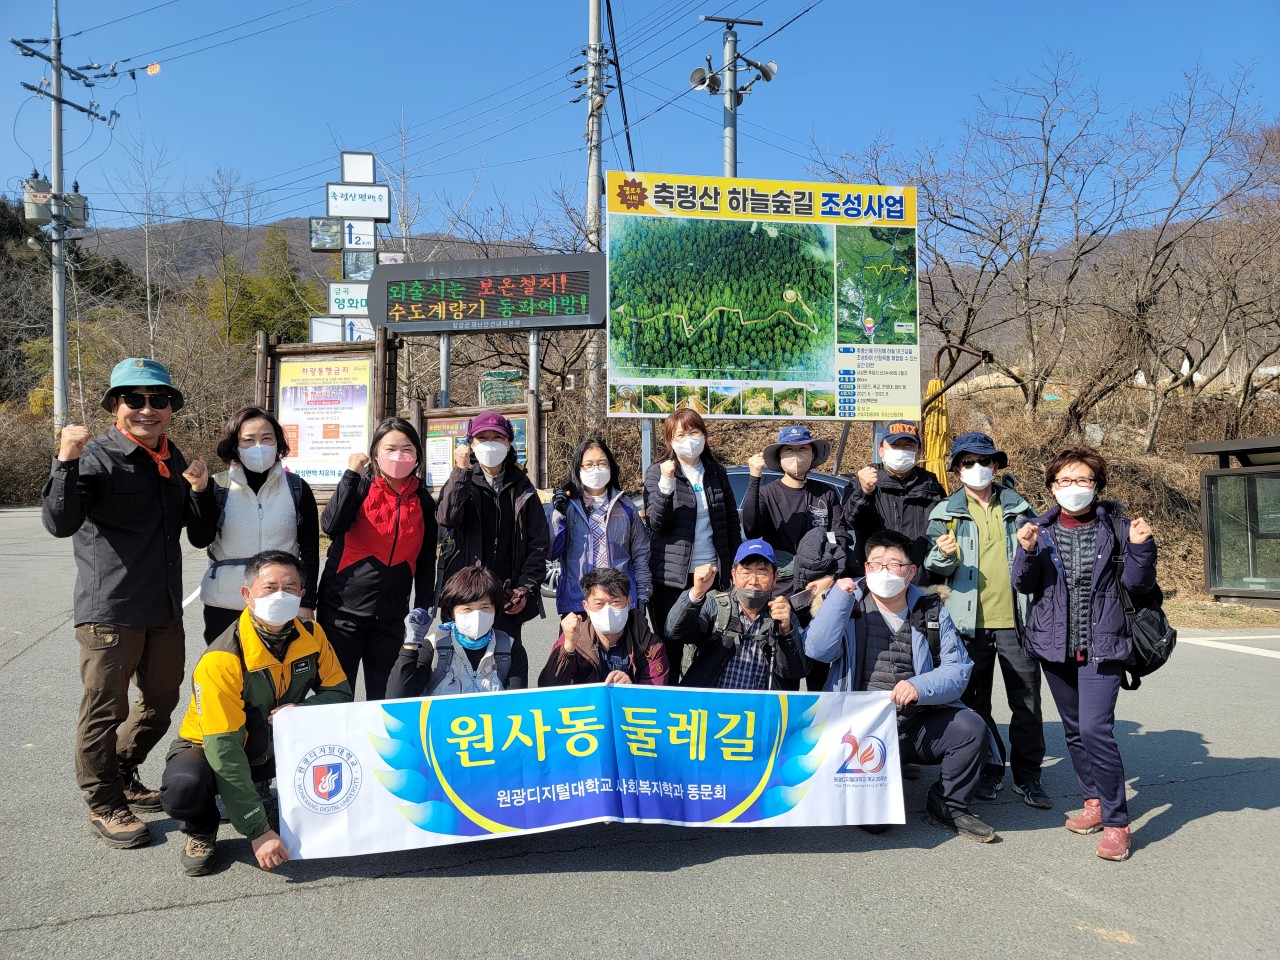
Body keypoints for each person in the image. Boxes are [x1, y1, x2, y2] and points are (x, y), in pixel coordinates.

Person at [42, 357, 214, 850]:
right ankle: (103, 802)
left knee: (162, 700)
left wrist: (201, 491)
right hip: (110, 609)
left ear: (170, 408)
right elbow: (59, 522)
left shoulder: (176, 460)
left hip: (162, 607)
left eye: (157, 400)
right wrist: (64, 460)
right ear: (115, 406)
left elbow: (200, 536)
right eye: (133, 399)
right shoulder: (94, 456)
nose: (146, 409)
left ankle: (121, 769)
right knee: (104, 709)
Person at [159, 551, 352, 876]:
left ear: (302, 593)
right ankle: (202, 827)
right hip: (213, 747)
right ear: (247, 595)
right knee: (184, 787)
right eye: (270, 587)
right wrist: (257, 831)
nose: (281, 595)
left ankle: (269, 796)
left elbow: (340, 694)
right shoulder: (222, 658)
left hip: (274, 740)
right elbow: (224, 749)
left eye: (290, 587)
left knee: (346, 728)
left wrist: (303, 711)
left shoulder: (313, 635)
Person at [1012, 446, 1156, 862]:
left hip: (1103, 644)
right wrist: (1027, 550)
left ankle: (1116, 822)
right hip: (1054, 644)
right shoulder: (1038, 528)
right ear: (1052, 486)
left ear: (1097, 486)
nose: (1074, 488)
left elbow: (1139, 585)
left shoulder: (1119, 527)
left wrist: (1142, 549)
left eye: (1083, 480)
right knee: (1074, 730)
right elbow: (1024, 585)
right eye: (1065, 481)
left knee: (1096, 730)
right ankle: (1092, 801)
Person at [805, 530, 996, 842]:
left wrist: (919, 686)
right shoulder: (848, 605)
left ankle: (949, 803)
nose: (884, 571)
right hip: (859, 731)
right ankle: (876, 783)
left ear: (911, 572)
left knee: (970, 727)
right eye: (876, 563)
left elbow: (959, 669)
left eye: (894, 565)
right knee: (878, 825)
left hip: (913, 723)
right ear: (865, 567)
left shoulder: (932, 610)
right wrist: (838, 597)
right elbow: (817, 650)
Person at [924, 432, 1050, 809]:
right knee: (974, 705)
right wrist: (944, 554)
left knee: (1027, 704)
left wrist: (1034, 548)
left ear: (996, 465)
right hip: (966, 626)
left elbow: (1040, 559)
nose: (976, 469)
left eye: (984, 461)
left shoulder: (1020, 508)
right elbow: (934, 567)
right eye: (967, 462)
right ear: (957, 470)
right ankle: (989, 771)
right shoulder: (944, 513)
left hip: (1016, 621)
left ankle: (1029, 778)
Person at [318, 417, 438, 702]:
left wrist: (423, 608)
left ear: (417, 456)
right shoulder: (359, 487)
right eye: (390, 448)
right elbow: (331, 525)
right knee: (336, 695)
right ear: (375, 454)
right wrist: (350, 476)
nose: (399, 456)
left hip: (392, 617)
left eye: (407, 449)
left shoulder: (422, 501)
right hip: (341, 613)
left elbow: (425, 560)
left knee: (386, 696)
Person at [191, 406, 320, 644]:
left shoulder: (297, 488)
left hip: (281, 602)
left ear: (278, 443)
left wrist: (306, 601)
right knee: (228, 674)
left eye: (266, 438)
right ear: (235, 445)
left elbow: (310, 549)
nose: (258, 446)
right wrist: (199, 492)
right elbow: (199, 539)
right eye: (248, 440)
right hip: (225, 603)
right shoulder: (218, 486)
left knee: (279, 677)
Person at [743, 423, 850, 691]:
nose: (796, 455)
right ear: (778, 458)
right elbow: (752, 528)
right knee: (783, 664)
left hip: (819, 591)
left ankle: (818, 725)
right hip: (782, 592)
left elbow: (841, 537)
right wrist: (754, 478)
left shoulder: (825, 494)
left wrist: (831, 578)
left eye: (802, 449)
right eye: (789, 449)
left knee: (820, 660)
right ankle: (784, 726)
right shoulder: (768, 493)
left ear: (812, 454)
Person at [643, 409, 741, 681]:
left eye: (695, 432)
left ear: (704, 435)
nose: (689, 439)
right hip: (671, 581)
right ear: (670, 441)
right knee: (670, 647)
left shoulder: (716, 473)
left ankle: (704, 709)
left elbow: (731, 523)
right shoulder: (656, 472)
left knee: (712, 645)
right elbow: (658, 524)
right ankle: (672, 711)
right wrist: (666, 483)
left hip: (712, 574)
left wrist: (733, 569)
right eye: (681, 434)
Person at [436, 411, 549, 643]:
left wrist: (524, 590)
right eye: (482, 438)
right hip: (465, 595)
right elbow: (447, 517)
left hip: (507, 597)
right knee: (459, 667)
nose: (490, 444)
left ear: (509, 443)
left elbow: (538, 545)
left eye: (497, 438)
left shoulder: (523, 487)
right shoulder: (461, 480)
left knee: (507, 663)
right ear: (471, 444)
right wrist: (461, 470)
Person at [666, 539, 806, 691]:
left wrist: (787, 632)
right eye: (746, 572)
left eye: (762, 572)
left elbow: (797, 671)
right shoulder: (714, 605)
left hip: (759, 712)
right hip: (710, 709)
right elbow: (674, 632)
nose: (753, 581)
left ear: (775, 577)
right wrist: (696, 593)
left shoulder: (783, 615)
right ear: (733, 575)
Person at [387, 564, 529, 697]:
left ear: (495, 610)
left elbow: (515, 706)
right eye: (467, 608)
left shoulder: (511, 650)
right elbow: (397, 699)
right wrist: (411, 644)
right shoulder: (433, 647)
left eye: (485, 607)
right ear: (452, 612)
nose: (477, 615)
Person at [549, 436, 650, 616]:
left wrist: (642, 596)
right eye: (589, 464)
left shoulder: (626, 506)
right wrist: (557, 516)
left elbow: (641, 554)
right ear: (578, 468)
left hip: (619, 601)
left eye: (602, 463)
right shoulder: (567, 506)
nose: (596, 469)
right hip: (578, 603)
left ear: (611, 467)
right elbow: (551, 551)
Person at [843, 420, 946, 581]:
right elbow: (848, 521)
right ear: (881, 450)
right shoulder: (863, 481)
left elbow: (941, 530)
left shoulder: (932, 485)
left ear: (919, 451)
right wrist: (864, 492)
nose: (901, 450)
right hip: (877, 577)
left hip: (920, 578)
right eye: (895, 445)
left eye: (908, 445)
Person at [539, 568, 670, 686]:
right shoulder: (573, 637)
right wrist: (567, 648)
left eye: (616, 602)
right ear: (586, 607)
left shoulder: (649, 645)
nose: (607, 610)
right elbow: (548, 688)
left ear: (629, 602)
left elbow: (654, 697)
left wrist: (631, 690)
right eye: (598, 603)